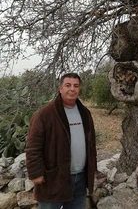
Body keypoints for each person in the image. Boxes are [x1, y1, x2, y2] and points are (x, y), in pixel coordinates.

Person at [25, 72, 97, 209]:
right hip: (53, 179)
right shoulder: (44, 115)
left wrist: (93, 169)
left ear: (79, 89)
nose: (72, 89)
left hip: (80, 178)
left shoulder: (85, 113)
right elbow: (33, 147)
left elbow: (91, 144)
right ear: (60, 88)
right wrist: (36, 173)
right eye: (68, 85)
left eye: (76, 86)